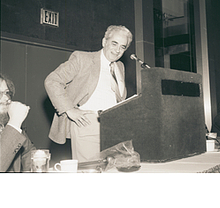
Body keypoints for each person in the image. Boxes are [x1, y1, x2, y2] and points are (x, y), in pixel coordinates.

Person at [45, 25, 133, 162]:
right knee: (89, 170)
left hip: (114, 125)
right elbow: (52, 80)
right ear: (104, 42)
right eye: (114, 43)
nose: (117, 50)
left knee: (113, 171)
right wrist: (69, 109)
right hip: (88, 123)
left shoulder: (119, 66)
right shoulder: (82, 59)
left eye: (123, 47)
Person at [0, 73, 36, 172]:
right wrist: (15, 122)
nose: (6, 98)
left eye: (7, 93)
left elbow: (30, 155)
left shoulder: (6, 124)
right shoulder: (12, 125)